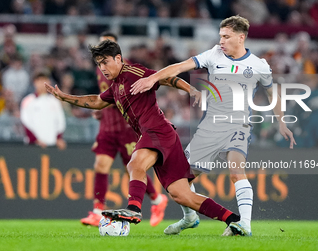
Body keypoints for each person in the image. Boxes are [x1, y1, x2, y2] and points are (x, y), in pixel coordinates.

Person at [45, 40, 242, 236]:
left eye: (105, 62)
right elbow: (96, 101)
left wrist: (190, 90)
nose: (102, 68)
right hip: (164, 137)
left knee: (134, 164)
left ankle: (134, 208)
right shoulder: (115, 87)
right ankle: (233, 220)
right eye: (99, 64)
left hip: (157, 131)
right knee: (181, 195)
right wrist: (65, 97)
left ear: (118, 58)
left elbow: (164, 78)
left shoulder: (132, 72)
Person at [130, 15, 296, 236]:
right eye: (220, 36)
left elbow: (272, 92)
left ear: (241, 37)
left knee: (237, 172)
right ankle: (189, 218)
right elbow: (180, 66)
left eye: (226, 37)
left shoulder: (258, 65)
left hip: (239, 126)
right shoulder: (213, 54)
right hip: (210, 127)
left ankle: (244, 224)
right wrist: (153, 79)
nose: (222, 41)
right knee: (181, 180)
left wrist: (282, 123)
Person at [80, 32, 168, 227]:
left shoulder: (127, 69)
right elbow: (105, 96)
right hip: (107, 128)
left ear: (117, 51)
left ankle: (156, 199)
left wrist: (104, 105)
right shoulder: (100, 69)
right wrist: (100, 109)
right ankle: (96, 211)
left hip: (126, 128)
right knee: (100, 165)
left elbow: (126, 97)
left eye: (108, 45)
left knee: (133, 168)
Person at [20, 70, 66, 150]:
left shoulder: (54, 101)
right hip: (34, 145)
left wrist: (59, 138)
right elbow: (25, 122)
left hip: (52, 144)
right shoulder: (28, 101)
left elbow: (60, 122)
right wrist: (35, 140)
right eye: (40, 80)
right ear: (34, 82)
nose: (42, 83)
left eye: (45, 80)